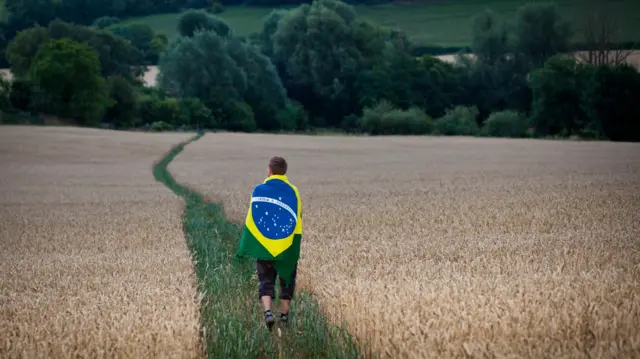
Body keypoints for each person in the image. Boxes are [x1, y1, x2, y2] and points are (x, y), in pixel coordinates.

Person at [236, 156, 303, 330]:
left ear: (269, 170)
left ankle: (267, 312)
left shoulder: (259, 189)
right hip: (286, 246)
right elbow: (297, 217)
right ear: (285, 171)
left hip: (265, 246)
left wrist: (249, 242)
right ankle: (284, 316)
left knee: (266, 280)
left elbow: (253, 217)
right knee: (287, 280)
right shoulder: (293, 191)